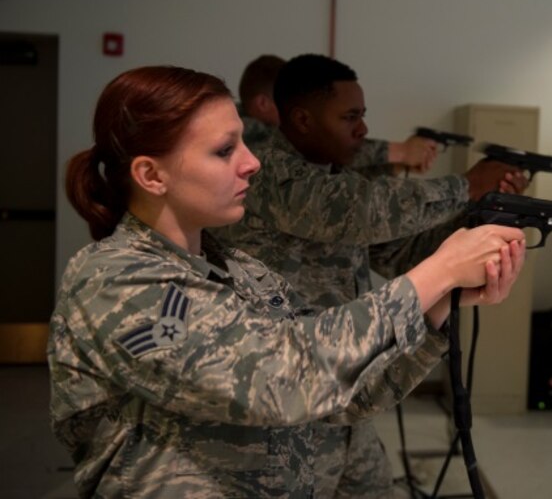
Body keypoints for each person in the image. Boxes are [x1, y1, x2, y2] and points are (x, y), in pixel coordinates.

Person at [49, 65, 526, 498]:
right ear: (151, 174)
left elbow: (341, 396)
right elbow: (282, 379)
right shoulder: (115, 280)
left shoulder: (242, 271)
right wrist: (436, 271)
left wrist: (438, 308)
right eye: (223, 150)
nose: (252, 163)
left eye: (244, 143)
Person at [212, 53, 528, 498]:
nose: (362, 129)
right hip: (287, 408)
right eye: (350, 116)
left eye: (363, 116)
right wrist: (465, 187)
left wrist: (481, 218)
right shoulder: (268, 173)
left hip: (351, 401)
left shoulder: (334, 179)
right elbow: (361, 211)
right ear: (302, 119)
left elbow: (403, 251)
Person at [238, 54, 438, 175]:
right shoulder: (248, 136)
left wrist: (395, 166)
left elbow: (328, 176)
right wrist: (401, 151)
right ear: (262, 103)